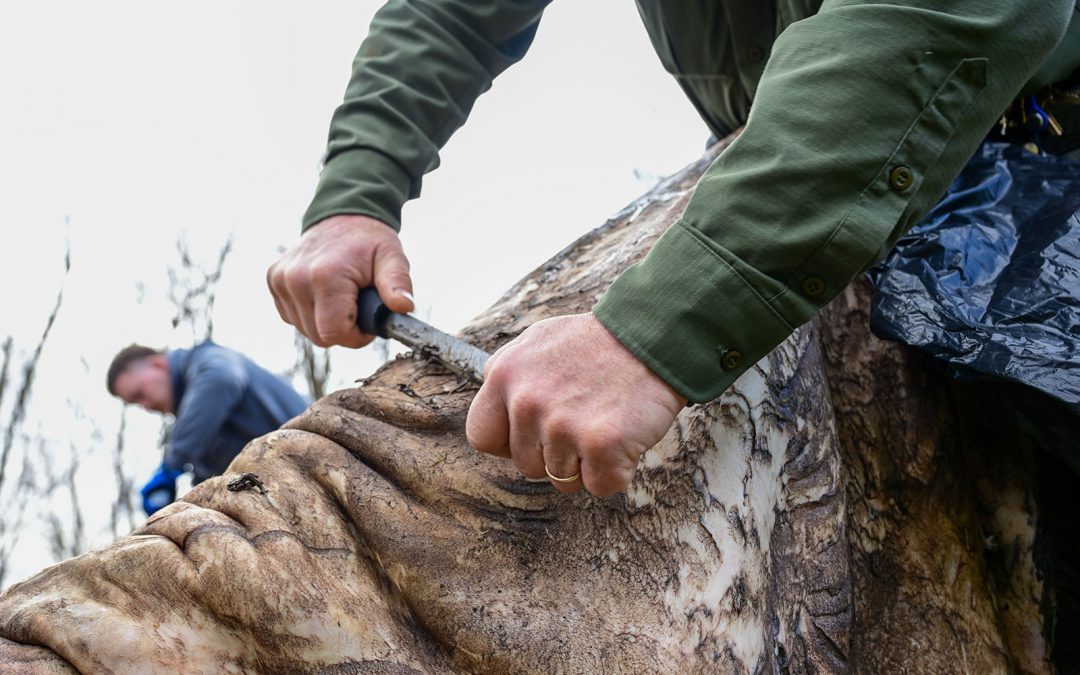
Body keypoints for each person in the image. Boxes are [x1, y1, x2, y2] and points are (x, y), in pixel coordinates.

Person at [266, 1, 1080, 498]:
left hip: (1037, 171)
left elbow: (947, 10)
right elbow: (451, 11)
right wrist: (355, 193)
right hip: (772, 170)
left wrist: (661, 326)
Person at [106, 342, 310, 514]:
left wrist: (172, 465)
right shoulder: (200, 430)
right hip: (295, 493)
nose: (146, 406)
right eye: (136, 404)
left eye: (140, 393)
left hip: (318, 462)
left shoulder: (207, 359)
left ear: (157, 364)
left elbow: (221, 378)